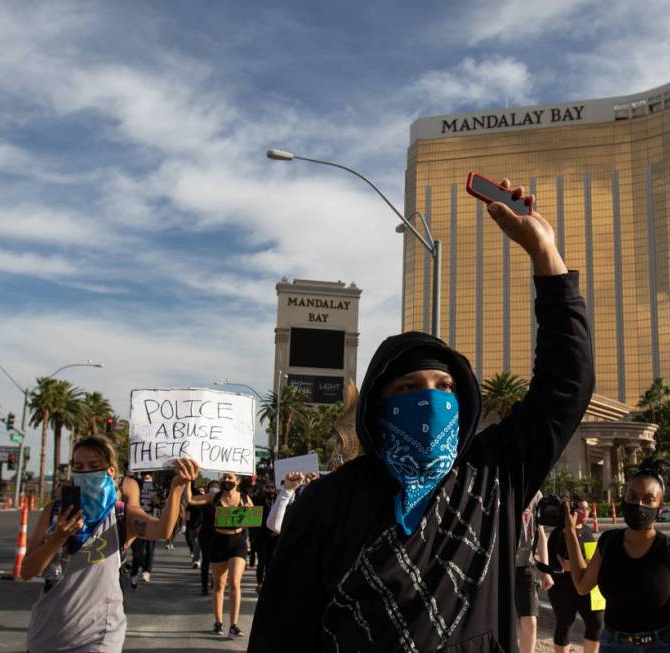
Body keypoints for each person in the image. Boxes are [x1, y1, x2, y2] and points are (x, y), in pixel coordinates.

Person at [249, 179, 594, 652]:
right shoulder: (328, 502)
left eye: (445, 387)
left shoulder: (493, 477)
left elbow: (565, 385)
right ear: (379, 405)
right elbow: (281, 633)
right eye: (409, 389)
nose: (431, 401)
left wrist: (545, 255)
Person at [21, 436, 198, 653]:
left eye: (94, 466)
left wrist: (177, 488)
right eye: (78, 467)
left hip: (99, 637)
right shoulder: (54, 512)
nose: (85, 472)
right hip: (46, 635)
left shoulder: (123, 515)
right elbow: (27, 571)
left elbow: (161, 530)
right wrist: (58, 537)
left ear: (111, 470)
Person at [563, 460, 670, 653]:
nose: (639, 505)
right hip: (613, 646)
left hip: (663, 646)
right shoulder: (609, 542)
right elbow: (582, 585)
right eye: (632, 496)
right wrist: (569, 530)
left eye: (648, 499)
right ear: (624, 498)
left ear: (660, 507)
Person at [186, 472, 253, 638]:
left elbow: (252, 519)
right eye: (225, 477)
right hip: (219, 541)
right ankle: (218, 622)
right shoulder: (214, 497)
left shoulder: (245, 499)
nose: (227, 480)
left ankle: (234, 625)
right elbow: (191, 500)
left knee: (235, 582)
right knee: (219, 585)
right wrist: (187, 481)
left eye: (230, 477)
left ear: (237, 481)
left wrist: (247, 515)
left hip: (238, 542)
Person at [542, 497, 603, 653]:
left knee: (596, 623)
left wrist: (582, 565)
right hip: (563, 588)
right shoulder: (559, 533)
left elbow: (591, 560)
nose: (586, 512)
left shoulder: (588, 531)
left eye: (588, 508)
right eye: (582, 509)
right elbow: (562, 565)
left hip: (586, 585)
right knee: (565, 624)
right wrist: (583, 564)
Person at [516, 491, 552, 653]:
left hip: (527, 565)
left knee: (530, 620)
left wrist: (545, 570)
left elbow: (541, 534)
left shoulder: (536, 494)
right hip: (502, 566)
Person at [129, 472, 157, 585]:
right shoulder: (136, 486)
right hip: (138, 523)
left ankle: (147, 571)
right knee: (137, 551)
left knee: (150, 549)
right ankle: (134, 572)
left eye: (149, 477)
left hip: (152, 522)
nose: (147, 479)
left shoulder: (156, 488)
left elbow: (161, 504)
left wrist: (156, 500)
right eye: (145, 477)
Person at [195, 480, 219, 595]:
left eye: (216, 487)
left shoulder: (222, 501)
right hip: (205, 534)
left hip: (219, 534)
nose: (214, 489)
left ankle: (215, 582)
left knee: (216, 560)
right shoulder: (204, 501)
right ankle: (204, 587)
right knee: (206, 560)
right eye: (212, 487)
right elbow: (198, 514)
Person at [185, 486, 206, 568]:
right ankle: (195, 559)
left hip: (201, 527)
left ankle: (196, 561)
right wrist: (186, 525)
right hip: (191, 526)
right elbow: (187, 514)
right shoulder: (192, 504)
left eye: (200, 494)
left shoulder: (205, 504)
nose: (199, 496)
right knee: (193, 545)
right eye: (198, 494)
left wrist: (201, 525)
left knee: (198, 545)